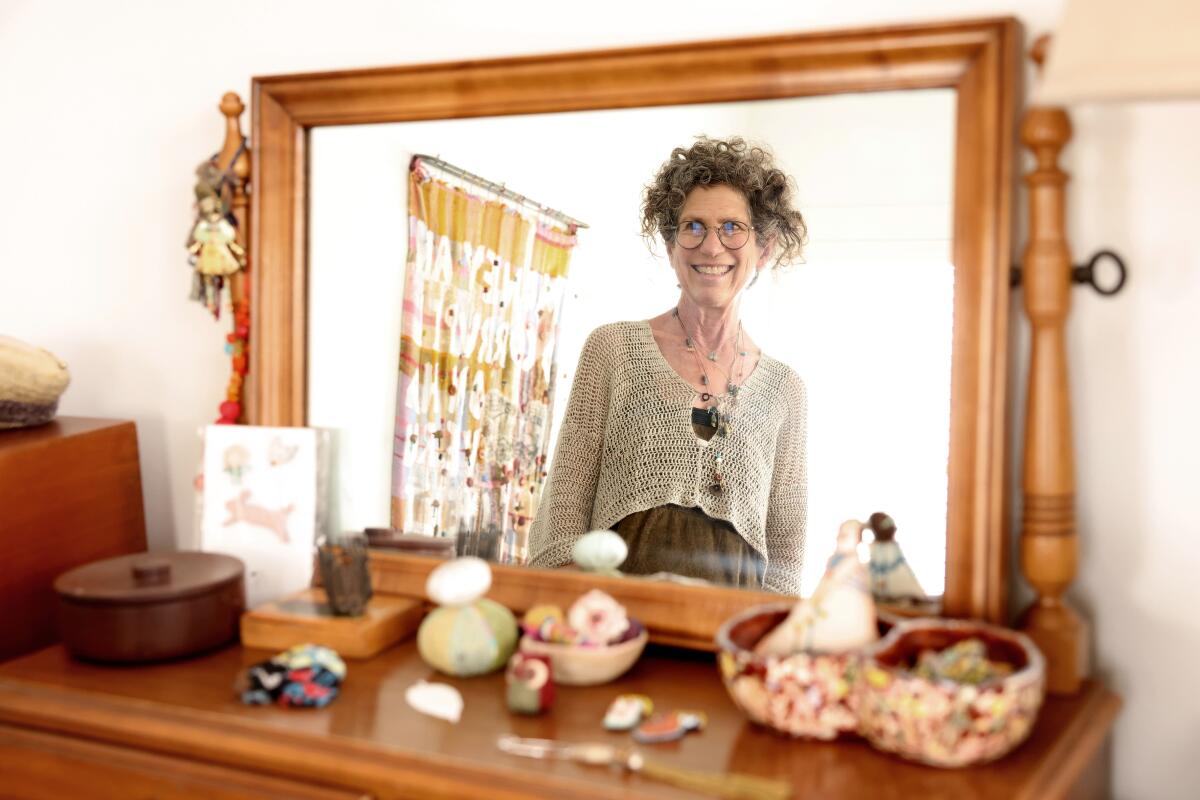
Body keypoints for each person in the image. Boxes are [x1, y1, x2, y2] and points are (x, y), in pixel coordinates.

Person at [527, 136, 808, 593]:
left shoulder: (785, 390)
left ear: (765, 248)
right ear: (671, 245)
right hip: (614, 624)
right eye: (692, 226)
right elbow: (562, 519)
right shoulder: (614, 350)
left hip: (725, 640)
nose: (712, 246)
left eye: (732, 227)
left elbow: (786, 558)